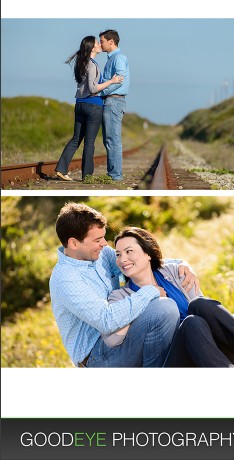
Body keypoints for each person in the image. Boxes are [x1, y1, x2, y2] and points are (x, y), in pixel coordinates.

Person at [49, 203, 197, 367]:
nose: (105, 243)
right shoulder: (65, 279)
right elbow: (107, 320)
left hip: (125, 331)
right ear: (74, 243)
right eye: (98, 239)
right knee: (164, 308)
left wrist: (180, 264)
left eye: (103, 237)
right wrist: (150, 292)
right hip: (98, 356)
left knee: (169, 309)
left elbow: (134, 263)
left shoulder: (100, 254)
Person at [106, 227, 234, 368]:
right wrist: (144, 299)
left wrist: (184, 264)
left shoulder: (174, 272)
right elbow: (112, 340)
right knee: (192, 323)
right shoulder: (120, 297)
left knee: (200, 304)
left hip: (214, 356)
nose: (123, 259)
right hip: (175, 362)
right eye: (118, 254)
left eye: (129, 251)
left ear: (147, 253)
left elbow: (208, 315)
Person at [54, 36, 123, 182]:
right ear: (92, 48)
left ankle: (61, 168)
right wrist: (112, 81)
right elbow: (92, 88)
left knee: (75, 139)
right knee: (89, 141)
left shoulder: (81, 63)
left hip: (79, 104)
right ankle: (87, 176)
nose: (99, 45)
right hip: (93, 105)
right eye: (97, 43)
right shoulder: (92, 65)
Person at [98, 29, 129, 181]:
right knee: (109, 139)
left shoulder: (118, 58)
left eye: (102, 41)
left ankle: (115, 175)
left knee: (113, 139)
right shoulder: (112, 58)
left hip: (114, 100)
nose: (100, 44)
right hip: (110, 100)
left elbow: (120, 79)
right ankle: (113, 174)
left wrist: (101, 92)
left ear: (111, 41)